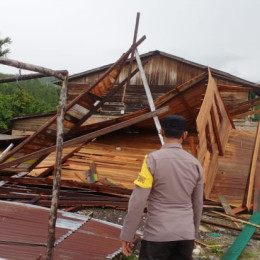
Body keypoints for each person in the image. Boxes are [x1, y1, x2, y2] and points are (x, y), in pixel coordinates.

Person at [120, 115, 204, 260]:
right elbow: (197, 203)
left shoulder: (152, 160)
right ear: (184, 135)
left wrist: (128, 234)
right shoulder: (195, 164)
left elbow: (138, 201)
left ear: (161, 132)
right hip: (185, 236)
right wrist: (193, 233)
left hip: (157, 236)